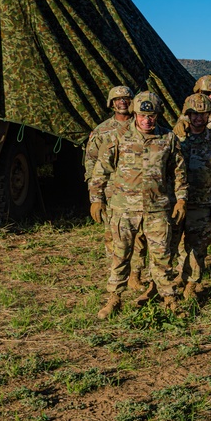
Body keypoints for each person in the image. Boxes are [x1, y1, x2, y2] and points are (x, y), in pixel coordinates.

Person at [90, 91, 187, 319]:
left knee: (162, 256)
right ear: (135, 113)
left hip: (157, 209)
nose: (147, 120)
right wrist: (96, 200)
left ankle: (169, 299)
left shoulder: (168, 138)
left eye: (151, 115)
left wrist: (181, 198)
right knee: (120, 254)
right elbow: (100, 170)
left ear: (157, 115)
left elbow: (178, 172)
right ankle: (114, 298)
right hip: (124, 208)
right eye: (143, 115)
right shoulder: (117, 137)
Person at [172, 94, 211, 300]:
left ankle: (192, 283)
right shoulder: (177, 138)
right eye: (194, 114)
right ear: (187, 115)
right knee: (176, 243)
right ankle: (180, 274)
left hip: (203, 202)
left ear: (209, 116)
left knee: (198, 245)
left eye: (203, 114)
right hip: (177, 201)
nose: (198, 118)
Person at [85, 86, 145, 292]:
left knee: (138, 237)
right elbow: (92, 164)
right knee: (113, 236)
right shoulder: (102, 131)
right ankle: (117, 273)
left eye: (127, 98)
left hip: (138, 192)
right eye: (118, 99)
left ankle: (135, 275)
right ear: (111, 103)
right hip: (112, 194)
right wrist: (96, 197)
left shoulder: (142, 125)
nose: (123, 102)